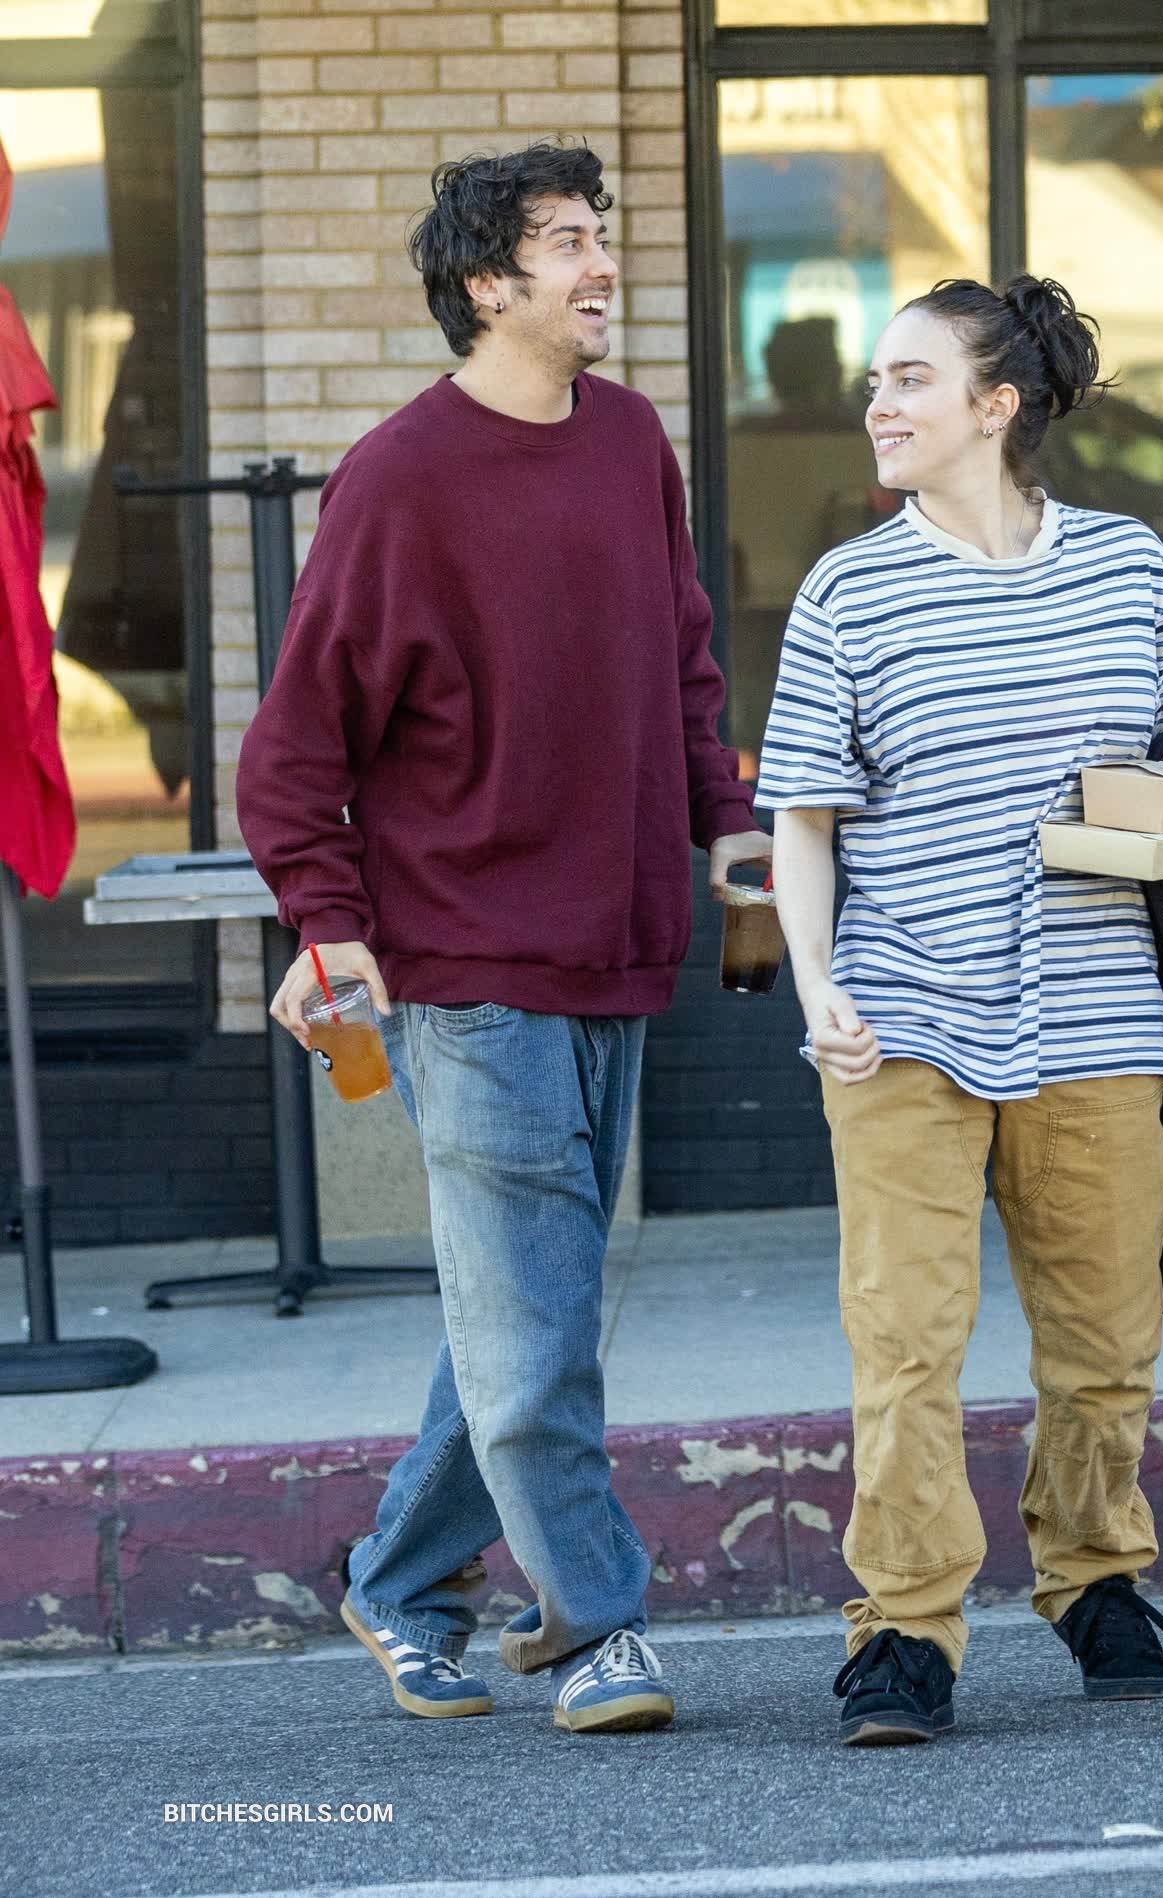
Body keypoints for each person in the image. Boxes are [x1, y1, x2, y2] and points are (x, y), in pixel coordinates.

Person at [235, 142, 770, 1735]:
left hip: (619, 945)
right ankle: (596, 1626)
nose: (603, 265)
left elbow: (683, 660)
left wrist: (724, 816)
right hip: (464, 964)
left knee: (524, 1310)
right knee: (536, 1324)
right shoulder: (399, 478)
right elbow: (294, 748)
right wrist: (330, 923)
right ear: (488, 283)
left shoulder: (631, 442)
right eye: (567, 242)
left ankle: (399, 1582)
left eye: (603, 236)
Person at [758, 275, 1163, 1747]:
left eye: (910, 378)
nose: (878, 404)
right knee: (906, 1341)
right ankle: (904, 1627)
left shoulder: (1126, 566)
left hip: (1100, 1007)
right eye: (877, 380)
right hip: (902, 1013)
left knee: (1106, 1337)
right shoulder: (850, 590)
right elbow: (804, 820)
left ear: (997, 406)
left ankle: (1093, 1574)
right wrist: (820, 983)